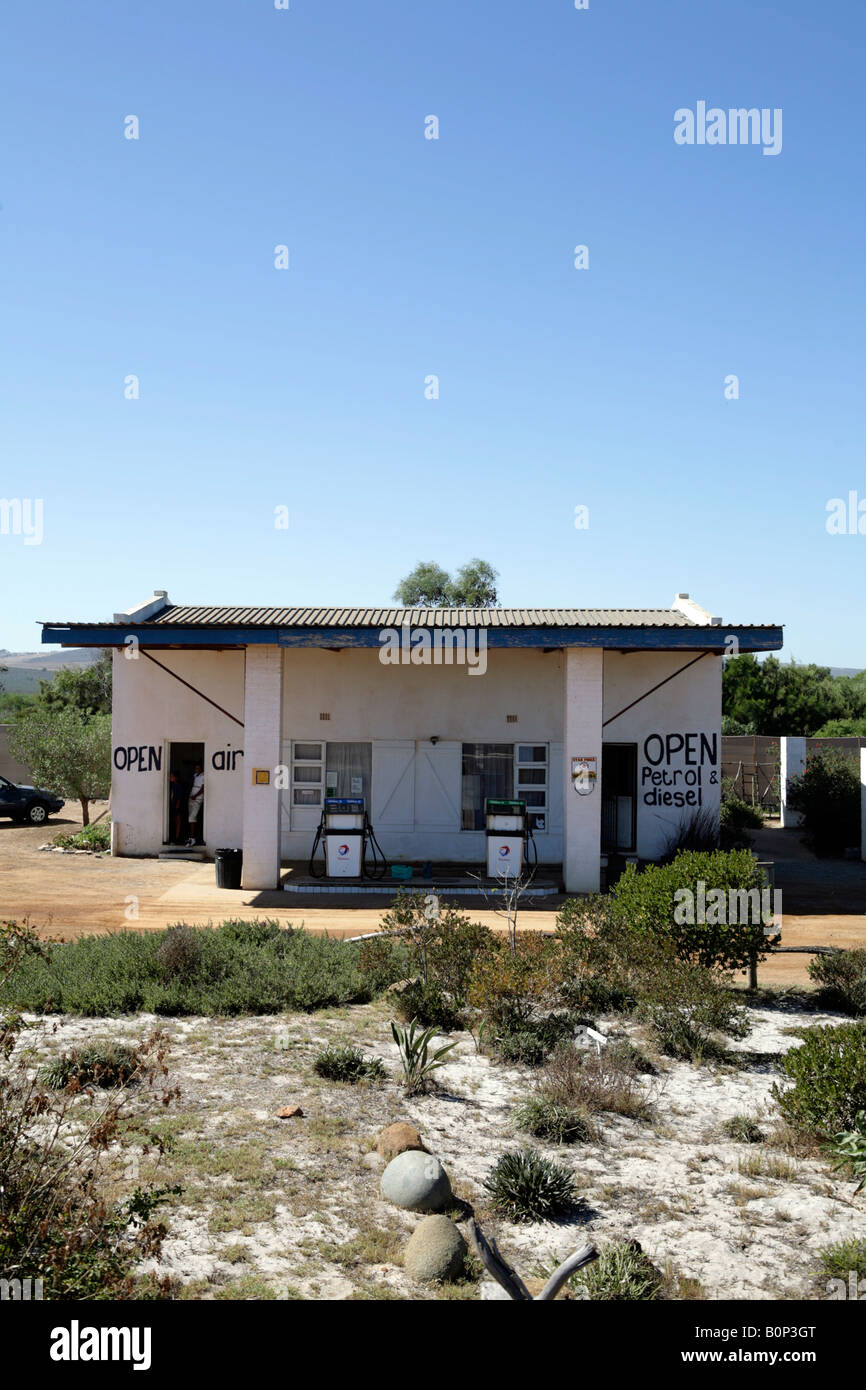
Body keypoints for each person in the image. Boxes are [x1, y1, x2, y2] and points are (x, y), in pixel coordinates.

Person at [186, 764, 204, 846]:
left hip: (197, 799)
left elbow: (203, 788)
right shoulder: (195, 776)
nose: (196, 769)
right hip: (191, 798)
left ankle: (193, 838)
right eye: (195, 768)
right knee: (190, 818)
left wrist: (195, 795)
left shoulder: (203, 776)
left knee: (192, 817)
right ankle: (190, 837)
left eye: (198, 768)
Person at [168, 771, 184, 844]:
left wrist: (177, 806)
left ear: (175, 778)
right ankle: (175, 837)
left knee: (178, 822)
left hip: (177, 807)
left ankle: (177, 838)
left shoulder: (178, 785)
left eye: (172, 776)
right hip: (173, 806)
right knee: (174, 822)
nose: (170, 778)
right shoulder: (172, 785)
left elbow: (179, 797)